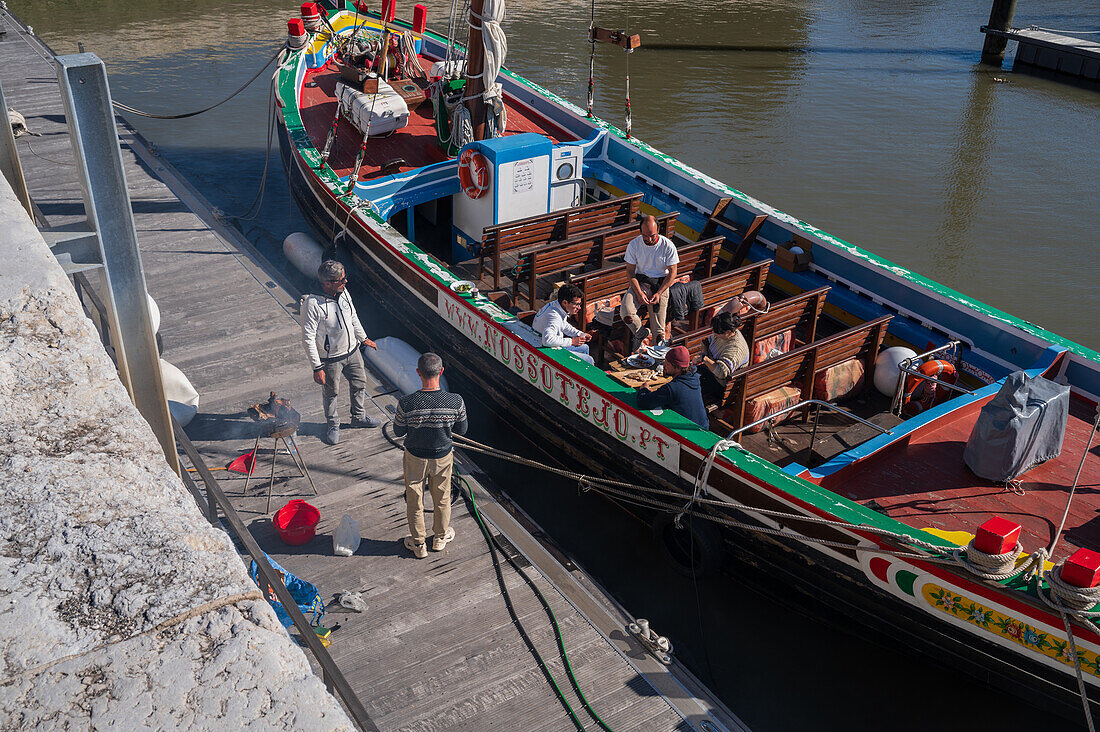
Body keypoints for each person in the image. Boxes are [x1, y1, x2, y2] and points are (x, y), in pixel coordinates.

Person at [392, 353, 468, 559]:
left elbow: (398, 432)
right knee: (442, 498)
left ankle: (418, 545)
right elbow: (462, 429)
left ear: (418, 373)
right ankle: (440, 538)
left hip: (415, 457)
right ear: (441, 371)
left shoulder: (407, 403)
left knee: (414, 499)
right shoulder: (455, 401)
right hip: (443, 457)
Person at [301, 260, 379, 446]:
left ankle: (358, 417)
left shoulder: (343, 292)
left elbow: (353, 316)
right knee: (331, 393)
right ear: (327, 283)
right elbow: (307, 339)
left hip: (352, 351)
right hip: (330, 360)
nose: (345, 282)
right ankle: (333, 424)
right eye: (341, 280)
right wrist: (317, 367)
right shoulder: (311, 304)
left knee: (360, 384)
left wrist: (363, 338)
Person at [621, 215, 679, 351]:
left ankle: (657, 359)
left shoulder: (667, 246)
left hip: (660, 284)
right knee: (627, 313)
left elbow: (672, 273)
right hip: (641, 282)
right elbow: (630, 272)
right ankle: (641, 332)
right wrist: (638, 292)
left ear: (658, 230)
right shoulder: (634, 244)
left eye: (652, 236)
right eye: (645, 236)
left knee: (659, 333)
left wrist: (659, 293)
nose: (649, 239)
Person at [636, 345, 708, 429]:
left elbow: (643, 402)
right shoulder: (694, 377)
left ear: (677, 368)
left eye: (667, 363)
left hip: (688, 434)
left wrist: (643, 389)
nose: (663, 365)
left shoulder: (672, 388)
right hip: (703, 427)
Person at [532, 283, 594, 365]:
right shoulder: (554, 317)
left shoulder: (557, 306)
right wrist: (572, 341)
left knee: (585, 347)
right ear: (565, 302)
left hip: (550, 344)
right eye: (576, 304)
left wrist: (580, 334)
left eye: (580, 304)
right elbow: (547, 341)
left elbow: (563, 325)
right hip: (546, 349)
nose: (579, 308)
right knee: (589, 359)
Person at [700, 311, 750, 383]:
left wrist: (704, 359)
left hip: (720, 383)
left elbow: (721, 373)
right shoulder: (723, 334)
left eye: (716, 332)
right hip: (710, 372)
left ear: (728, 332)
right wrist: (703, 354)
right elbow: (706, 342)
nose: (713, 333)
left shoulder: (735, 350)